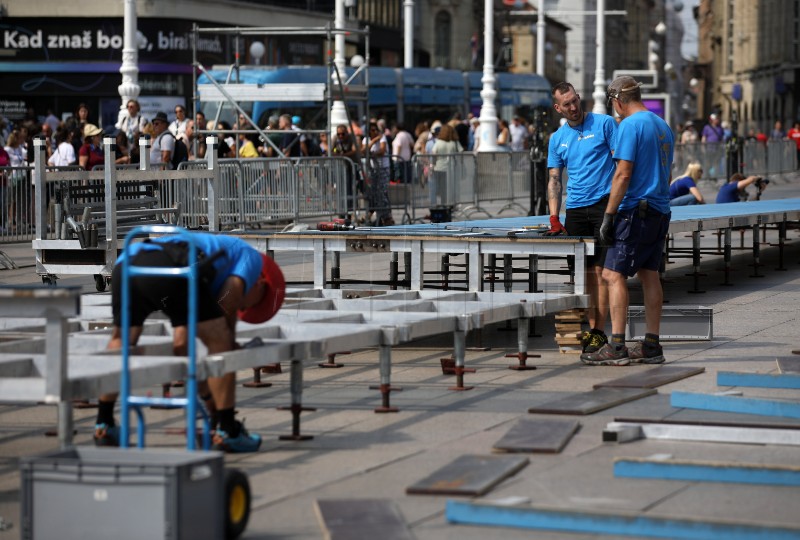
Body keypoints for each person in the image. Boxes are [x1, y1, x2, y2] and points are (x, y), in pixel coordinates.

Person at [94, 231, 285, 452]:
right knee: (221, 344)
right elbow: (229, 300)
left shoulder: (204, 271)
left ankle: (104, 423)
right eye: (250, 305)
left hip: (128, 262)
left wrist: (208, 399)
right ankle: (228, 431)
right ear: (261, 283)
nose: (244, 309)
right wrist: (229, 341)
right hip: (171, 266)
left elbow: (182, 345)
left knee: (122, 340)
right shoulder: (250, 258)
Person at [580, 75, 674, 366]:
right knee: (649, 274)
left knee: (612, 275)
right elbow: (667, 171)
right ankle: (651, 345)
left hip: (635, 211)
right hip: (660, 209)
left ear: (618, 101)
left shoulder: (630, 126)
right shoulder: (662, 126)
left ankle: (617, 345)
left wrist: (609, 215)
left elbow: (622, 174)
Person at [546, 81, 618, 354]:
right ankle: (594, 329)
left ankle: (599, 332)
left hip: (603, 205)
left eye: (575, 100)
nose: (574, 107)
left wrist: (618, 206)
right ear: (558, 108)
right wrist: (554, 217)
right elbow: (555, 180)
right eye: (567, 104)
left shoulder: (605, 124)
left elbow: (622, 163)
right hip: (575, 210)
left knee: (601, 274)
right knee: (584, 274)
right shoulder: (557, 139)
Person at [362, 121, 394, 226]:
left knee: (382, 191)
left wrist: (372, 153)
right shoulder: (366, 140)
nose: (375, 132)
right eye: (372, 130)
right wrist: (373, 141)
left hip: (383, 168)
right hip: (372, 169)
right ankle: (375, 213)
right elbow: (363, 151)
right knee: (373, 192)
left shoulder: (383, 138)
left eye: (376, 129)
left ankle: (387, 215)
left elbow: (382, 150)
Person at [430, 123, 463, 207]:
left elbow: (434, 154)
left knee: (442, 189)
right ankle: (452, 204)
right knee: (452, 187)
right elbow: (461, 152)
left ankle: (443, 204)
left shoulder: (439, 142)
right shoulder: (455, 142)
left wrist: (432, 165)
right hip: (452, 168)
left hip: (439, 168)